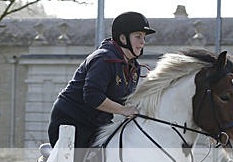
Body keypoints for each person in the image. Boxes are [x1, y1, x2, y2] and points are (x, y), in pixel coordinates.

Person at [47, 11, 155, 149]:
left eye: (144, 37)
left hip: (98, 124)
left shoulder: (134, 67)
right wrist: (123, 110)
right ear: (123, 38)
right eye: (138, 37)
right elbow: (93, 96)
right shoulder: (104, 59)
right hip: (72, 123)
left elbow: (126, 101)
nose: (142, 42)